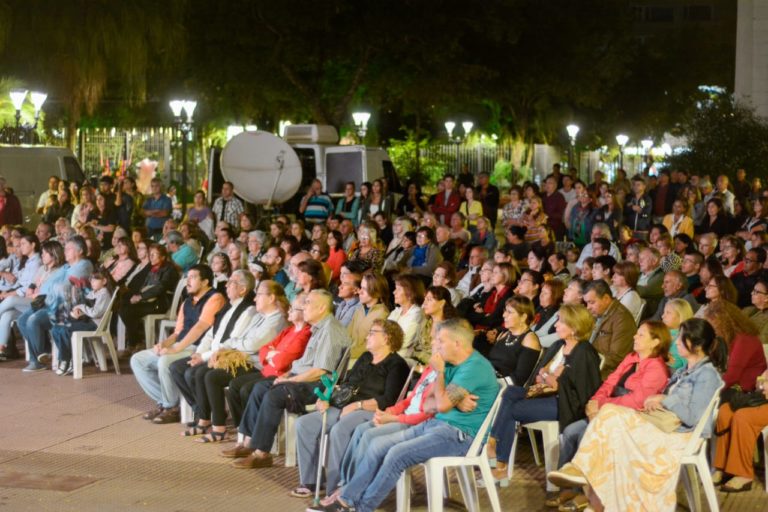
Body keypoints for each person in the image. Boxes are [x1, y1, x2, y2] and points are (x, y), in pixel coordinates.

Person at [314, 318, 499, 512]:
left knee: (396, 454)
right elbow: (428, 404)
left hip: (459, 435)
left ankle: (362, 508)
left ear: (457, 343)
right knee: (377, 445)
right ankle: (346, 500)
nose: (435, 345)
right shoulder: (452, 363)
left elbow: (441, 405)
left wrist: (441, 377)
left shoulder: (473, 367)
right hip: (436, 425)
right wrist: (449, 397)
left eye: (440, 341)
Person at [547, 318, 725, 512]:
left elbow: (692, 417)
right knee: (609, 421)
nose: (677, 342)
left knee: (609, 417)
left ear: (697, 344)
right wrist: (657, 402)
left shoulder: (707, 375)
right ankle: (592, 489)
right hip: (661, 423)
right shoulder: (684, 371)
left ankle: (586, 477)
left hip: (680, 435)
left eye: (682, 339)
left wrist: (664, 400)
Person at [223, 289, 351, 469]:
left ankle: (262, 453)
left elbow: (320, 371)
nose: (303, 307)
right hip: (303, 378)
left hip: (318, 385)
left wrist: (291, 380)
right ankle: (248, 443)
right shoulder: (319, 328)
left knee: (274, 394)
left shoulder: (330, 330)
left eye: (307, 303)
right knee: (260, 388)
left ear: (321, 308)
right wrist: (287, 375)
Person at [551, 321, 671, 510]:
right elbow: (609, 383)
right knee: (570, 431)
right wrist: (595, 402)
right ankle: (570, 487)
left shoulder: (656, 368)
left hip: (628, 419)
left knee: (583, 435)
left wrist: (602, 406)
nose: (634, 337)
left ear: (656, 341)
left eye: (640, 335)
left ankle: (587, 494)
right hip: (608, 409)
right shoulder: (631, 358)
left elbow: (636, 402)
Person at [486, 304, 601, 485]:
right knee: (509, 393)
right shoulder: (558, 345)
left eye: (561, 322)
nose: (556, 326)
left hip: (565, 402)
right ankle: (495, 451)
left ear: (574, 327)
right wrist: (550, 377)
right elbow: (541, 376)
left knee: (511, 409)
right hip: (544, 394)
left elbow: (571, 387)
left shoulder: (584, 352)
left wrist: (550, 378)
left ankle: (498, 458)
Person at [294, 319, 409, 497]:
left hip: (370, 410)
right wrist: (327, 399)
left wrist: (358, 405)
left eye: (373, 332)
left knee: (339, 430)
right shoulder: (364, 357)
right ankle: (310, 481)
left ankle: (337, 489)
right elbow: (346, 384)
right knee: (304, 423)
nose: (367, 336)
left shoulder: (397, 364)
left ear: (387, 338)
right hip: (344, 406)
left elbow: (389, 399)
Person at [172, 275, 285, 442]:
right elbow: (236, 338)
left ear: (271, 297)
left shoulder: (276, 320)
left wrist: (228, 347)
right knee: (198, 372)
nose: (255, 298)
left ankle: (220, 427)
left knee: (211, 375)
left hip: (255, 363)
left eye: (259, 294)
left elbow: (253, 344)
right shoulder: (260, 316)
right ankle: (209, 421)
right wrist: (223, 348)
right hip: (242, 357)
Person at [131, 264, 226, 424]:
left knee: (165, 361)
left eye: (193, 278)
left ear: (205, 282)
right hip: (182, 346)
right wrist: (163, 344)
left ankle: (171, 407)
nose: (187, 281)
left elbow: (201, 326)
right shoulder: (187, 302)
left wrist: (174, 349)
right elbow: (177, 332)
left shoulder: (215, 298)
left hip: (199, 348)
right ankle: (165, 402)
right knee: (138, 360)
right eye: (187, 278)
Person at [18, 236, 93, 371]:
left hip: (67, 308)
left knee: (33, 320)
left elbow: (63, 287)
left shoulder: (84, 265)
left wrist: (48, 293)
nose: (65, 251)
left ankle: (37, 360)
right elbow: (48, 286)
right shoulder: (65, 267)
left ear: (80, 251)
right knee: (22, 320)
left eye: (69, 249)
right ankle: (43, 351)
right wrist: (47, 293)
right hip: (52, 303)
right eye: (65, 248)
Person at [0, 240, 64, 362]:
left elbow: (49, 292)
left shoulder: (59, 271)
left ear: (53, 254)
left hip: (43, 304)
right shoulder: (42, 269)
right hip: (31, 302)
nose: (42, 256)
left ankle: (39, 350)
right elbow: (31, 286)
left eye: (45, 253)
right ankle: (1, 348)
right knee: (8, 315)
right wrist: (32, 289)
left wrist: (35, 292)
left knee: (11, 299)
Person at [712, 368, 768, 492]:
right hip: (763, 399)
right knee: (725, 410)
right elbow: (760, 380)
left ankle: (744, 474)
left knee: (743, 417)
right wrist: (762, 383)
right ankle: (723, 466)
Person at [50, 270, 113, 376]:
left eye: (96, 279)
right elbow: (85, 306)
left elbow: (95, 312)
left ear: (104, 281)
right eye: (91, 279)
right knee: (56, 328)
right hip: (86, 320)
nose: (92, 282)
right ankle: (65, 359)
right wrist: (77, 311)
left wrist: (81, 308)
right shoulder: (93, 293)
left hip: (94, 324)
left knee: (66, 329)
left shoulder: (104, 294)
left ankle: (66, 360)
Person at [701, 300, 767, 392]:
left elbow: (731, 376)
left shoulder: (744, 340)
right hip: (735, 386)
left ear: (725, 324)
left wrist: (708, 390)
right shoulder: (730, 337)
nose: (712, 330)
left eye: (714, 326)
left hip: (746, 390)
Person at [583, 280, 636, 378]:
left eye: (591, 302)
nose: (588, 307)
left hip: (605, 373)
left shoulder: (622, 319)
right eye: (587, 303)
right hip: (590, 365)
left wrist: (586, 361)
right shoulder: (597, 313)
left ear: (606, 298)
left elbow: (617, 358)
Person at [486, 295, 542, 385]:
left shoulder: (530, 340)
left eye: (509, 312)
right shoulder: (505, 334)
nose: (504, 315)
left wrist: (490, 382)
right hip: (488, 377)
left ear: (523, 317)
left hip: (502, 387)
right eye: (505, 311)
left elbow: (519, 379)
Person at [388, 274, 427, 366]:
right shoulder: (396, 311)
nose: (394, 292)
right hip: (386, 353)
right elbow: (382, 332)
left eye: (398, 289)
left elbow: (403, 342)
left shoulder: (417, 314)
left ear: (410, 294)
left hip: (400, 360)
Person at [743, 277, 768, 344]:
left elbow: (763, 341)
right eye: (753, 290)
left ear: (766, 298)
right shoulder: (747, 309)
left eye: (756, 292)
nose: (751, 293)